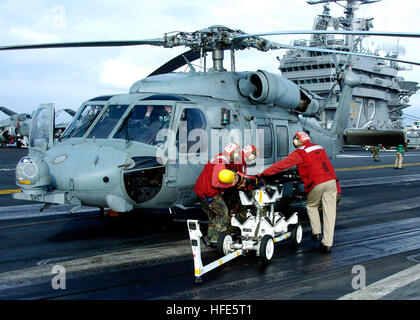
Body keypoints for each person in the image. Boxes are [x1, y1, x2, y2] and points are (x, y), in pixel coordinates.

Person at [258, 132, 341, 253]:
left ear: (297, 141)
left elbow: (282, 165)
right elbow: (328, 167)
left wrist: (264, 173)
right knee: (330, 213)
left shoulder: (300, 152)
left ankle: (316, 233)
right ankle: (327, 244)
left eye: (294, 140)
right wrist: (338, 188)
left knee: (311, 205)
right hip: (331, 181)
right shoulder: (319, 148)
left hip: (317, 183)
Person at [194, 143, 244, 245]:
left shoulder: (220, 158)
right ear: (232, 154)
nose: (238, 156)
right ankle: (218, 237)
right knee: (223, 212)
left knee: (213, 216)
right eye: (237, 154)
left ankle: (210, 238)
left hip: (201, 192)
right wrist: (230, 185)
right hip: (209, 193)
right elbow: (215, 182)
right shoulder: (221, 162)